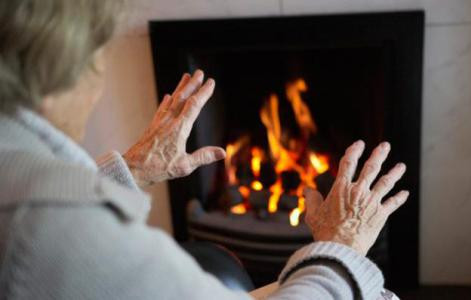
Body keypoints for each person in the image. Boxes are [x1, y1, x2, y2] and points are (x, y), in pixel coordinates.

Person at [0, 1, 409, 299]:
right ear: (50, 85)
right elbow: (61, 228)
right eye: (96, 62)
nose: (99, 83)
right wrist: (341, 246)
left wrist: (132, 170)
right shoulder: (57, 230)